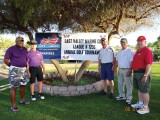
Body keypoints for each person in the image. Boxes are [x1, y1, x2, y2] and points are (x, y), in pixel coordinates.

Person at [4, 36, 30, 112]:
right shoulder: (11, 49)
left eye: (22, 40)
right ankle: (13, 106)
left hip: (24, 70)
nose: (20, 42)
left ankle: (22, 100)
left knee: (23, 85)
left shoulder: (25, 49)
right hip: (15, 70)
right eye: (19, 41)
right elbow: (6, 60)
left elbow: (26, 60)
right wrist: (12, 66)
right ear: (16, 41)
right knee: (14, 87)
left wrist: (27, 70)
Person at [131, 36, 153, 114]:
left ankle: (146, 108)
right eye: (138, 41)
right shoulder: (138, 51)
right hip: (136, 73)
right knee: (140, 90)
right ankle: (140, 104)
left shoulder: (147, 51)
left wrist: (145, 75)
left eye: (141, 41)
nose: (139, 42)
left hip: (143, 73)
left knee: (145, 91)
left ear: (145, 42)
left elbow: (148, 64)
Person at [115, 38, 134, 104]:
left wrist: (130, 70)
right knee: (120, 84)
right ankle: (121, 95)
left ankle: (129, 98)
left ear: (127, 43)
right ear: (120, 43)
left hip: (127, 69)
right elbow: (117, 61)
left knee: (128, 85)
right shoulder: (119, 51)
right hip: (120, 69)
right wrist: (115, 68)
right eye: (122, 42)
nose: (123, 43)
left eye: (124, 42)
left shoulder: (130, 51)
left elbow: (132, 62)